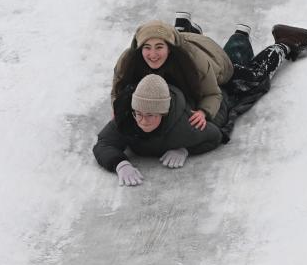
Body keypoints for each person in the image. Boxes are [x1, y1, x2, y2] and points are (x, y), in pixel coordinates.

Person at [111, 14, 307, 131]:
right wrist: (116, 107)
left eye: (159, 47)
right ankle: (183, 28)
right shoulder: (128, 61)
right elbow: (118, 90)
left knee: (251, 80)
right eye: (147, 48)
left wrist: (204, 112)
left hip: (215, 60)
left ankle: (286, 42)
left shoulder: (195, 63)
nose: (152, 54)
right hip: (182, 43)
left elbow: (213, 93)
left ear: (170, 47)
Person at [93, 74, 224, 186]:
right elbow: (104, 143)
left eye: (150, 115)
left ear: (163, 113)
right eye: (138, 113)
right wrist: (119, 164)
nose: (143, 121)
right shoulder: (126, 118)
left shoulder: (184, 123)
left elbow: (214, 136)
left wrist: (184, 149)